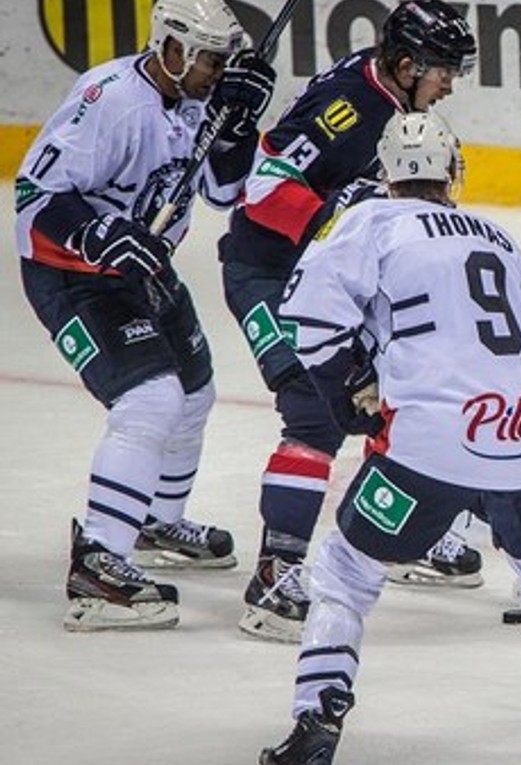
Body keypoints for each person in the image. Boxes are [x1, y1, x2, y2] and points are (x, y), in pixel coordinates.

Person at [258, 111, 521, 765]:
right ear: (453, 171)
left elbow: (308, 321)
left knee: (345, 571)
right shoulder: (500, 236)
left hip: (431, 437)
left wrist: (346, 396)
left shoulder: (370, 220)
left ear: (386, 173)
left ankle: (316, 726)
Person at [217, 0, 482, 643]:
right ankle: (276, 576)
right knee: (314, 411)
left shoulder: (392, 100)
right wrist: (335, 223)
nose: (450, 84)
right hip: (270, 274)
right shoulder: (351, 107)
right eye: (442, 70)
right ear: (404, 63)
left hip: (337, 279)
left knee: (396, 393)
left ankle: (404, 531)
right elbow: (262, 187)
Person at [14, 0, 276, 630]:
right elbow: (33, 199)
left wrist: (238, 123)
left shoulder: (200, 99)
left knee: (194, 391)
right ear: (174, 49)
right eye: (212, 59)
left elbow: (223, 191)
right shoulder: (110, 99)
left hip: (143, 269)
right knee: (150, 400)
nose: (219, 71)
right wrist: (98, 236)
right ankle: (99, 561)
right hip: (72, 274)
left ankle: (156, 518)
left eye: (224, 61)